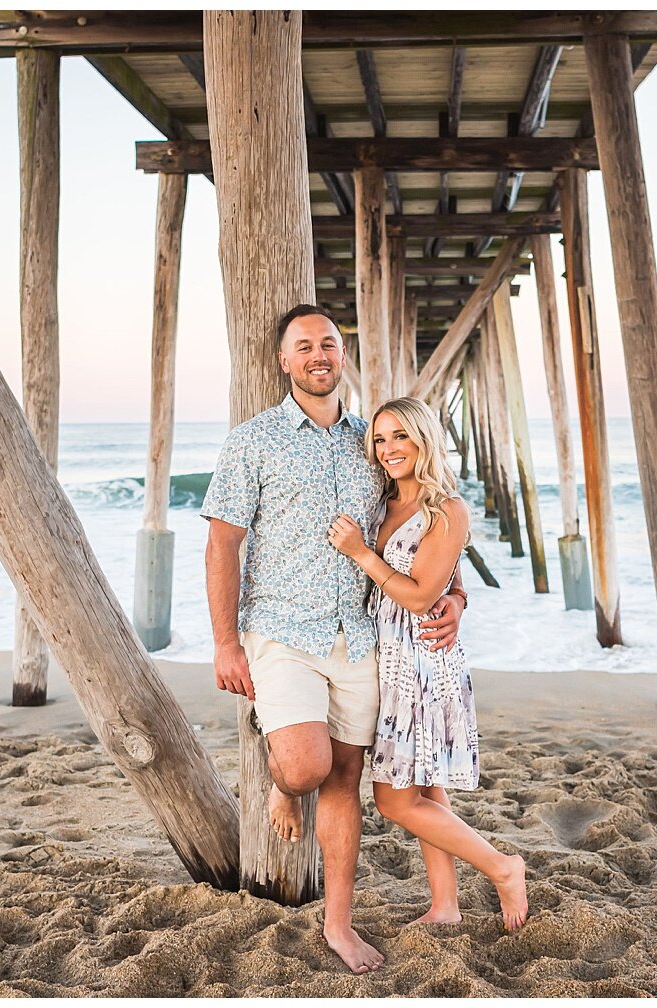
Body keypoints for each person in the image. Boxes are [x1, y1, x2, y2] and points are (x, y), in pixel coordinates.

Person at [200, 305, 467, 975]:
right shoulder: (252, 441)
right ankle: (283, 784)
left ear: (341, 355)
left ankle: (338, 925)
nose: (318, 354)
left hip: (361, 635)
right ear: (284, 362)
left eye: (328, 343)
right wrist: (225, 642)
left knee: (347, 778)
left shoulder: (372, 442)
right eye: (303, 346)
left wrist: (455, 595)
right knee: (305, 767)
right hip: (282, 631)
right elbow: (222, 543)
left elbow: (423, 523)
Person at [327, 396, 528, 932]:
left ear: (424, 439)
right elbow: (451, 583)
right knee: (426, 789)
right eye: (380, 438)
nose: (389, 448)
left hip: (420, 659)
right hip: (385, 654)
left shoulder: (446, 509)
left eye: (401, 436)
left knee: (393, 800)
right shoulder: (379, 501)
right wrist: (459, 599)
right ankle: (445, 905)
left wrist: (360, 554)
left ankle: (502, 867)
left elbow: (419, 597)